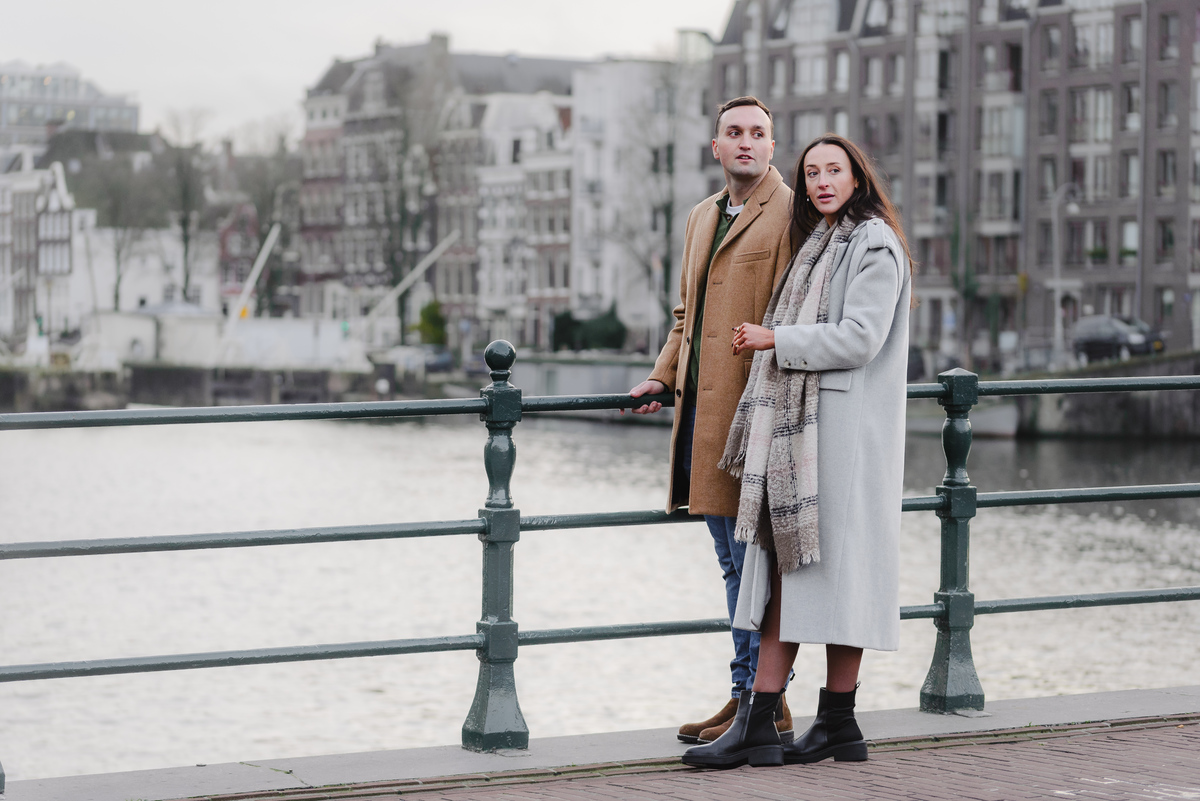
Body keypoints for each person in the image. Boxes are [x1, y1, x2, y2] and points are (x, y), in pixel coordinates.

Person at [681, 134, 913, 769]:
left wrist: (776, 338)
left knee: (826, 579)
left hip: (845, 441)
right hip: (812, 437)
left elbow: (862, 338)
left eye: (833, 170)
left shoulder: (873, 244)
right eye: (811, 173)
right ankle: (814, 724)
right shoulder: (819, 243)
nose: (820, 182)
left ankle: (805, 721)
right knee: (801, 576)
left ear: (857, 178)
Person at [627, 96, 795, 745]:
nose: (746, 142)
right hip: (703, 415)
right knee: (733, 564)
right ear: (716, 146)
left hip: (755, 413)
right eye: (735, 133)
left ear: (773, 147)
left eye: (759, 133)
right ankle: (746, 693)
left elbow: (792, 314)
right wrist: (661, 375)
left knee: (755, 563)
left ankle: (763, 698)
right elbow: (684, 317)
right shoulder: (700, 216)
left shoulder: (789, 212)